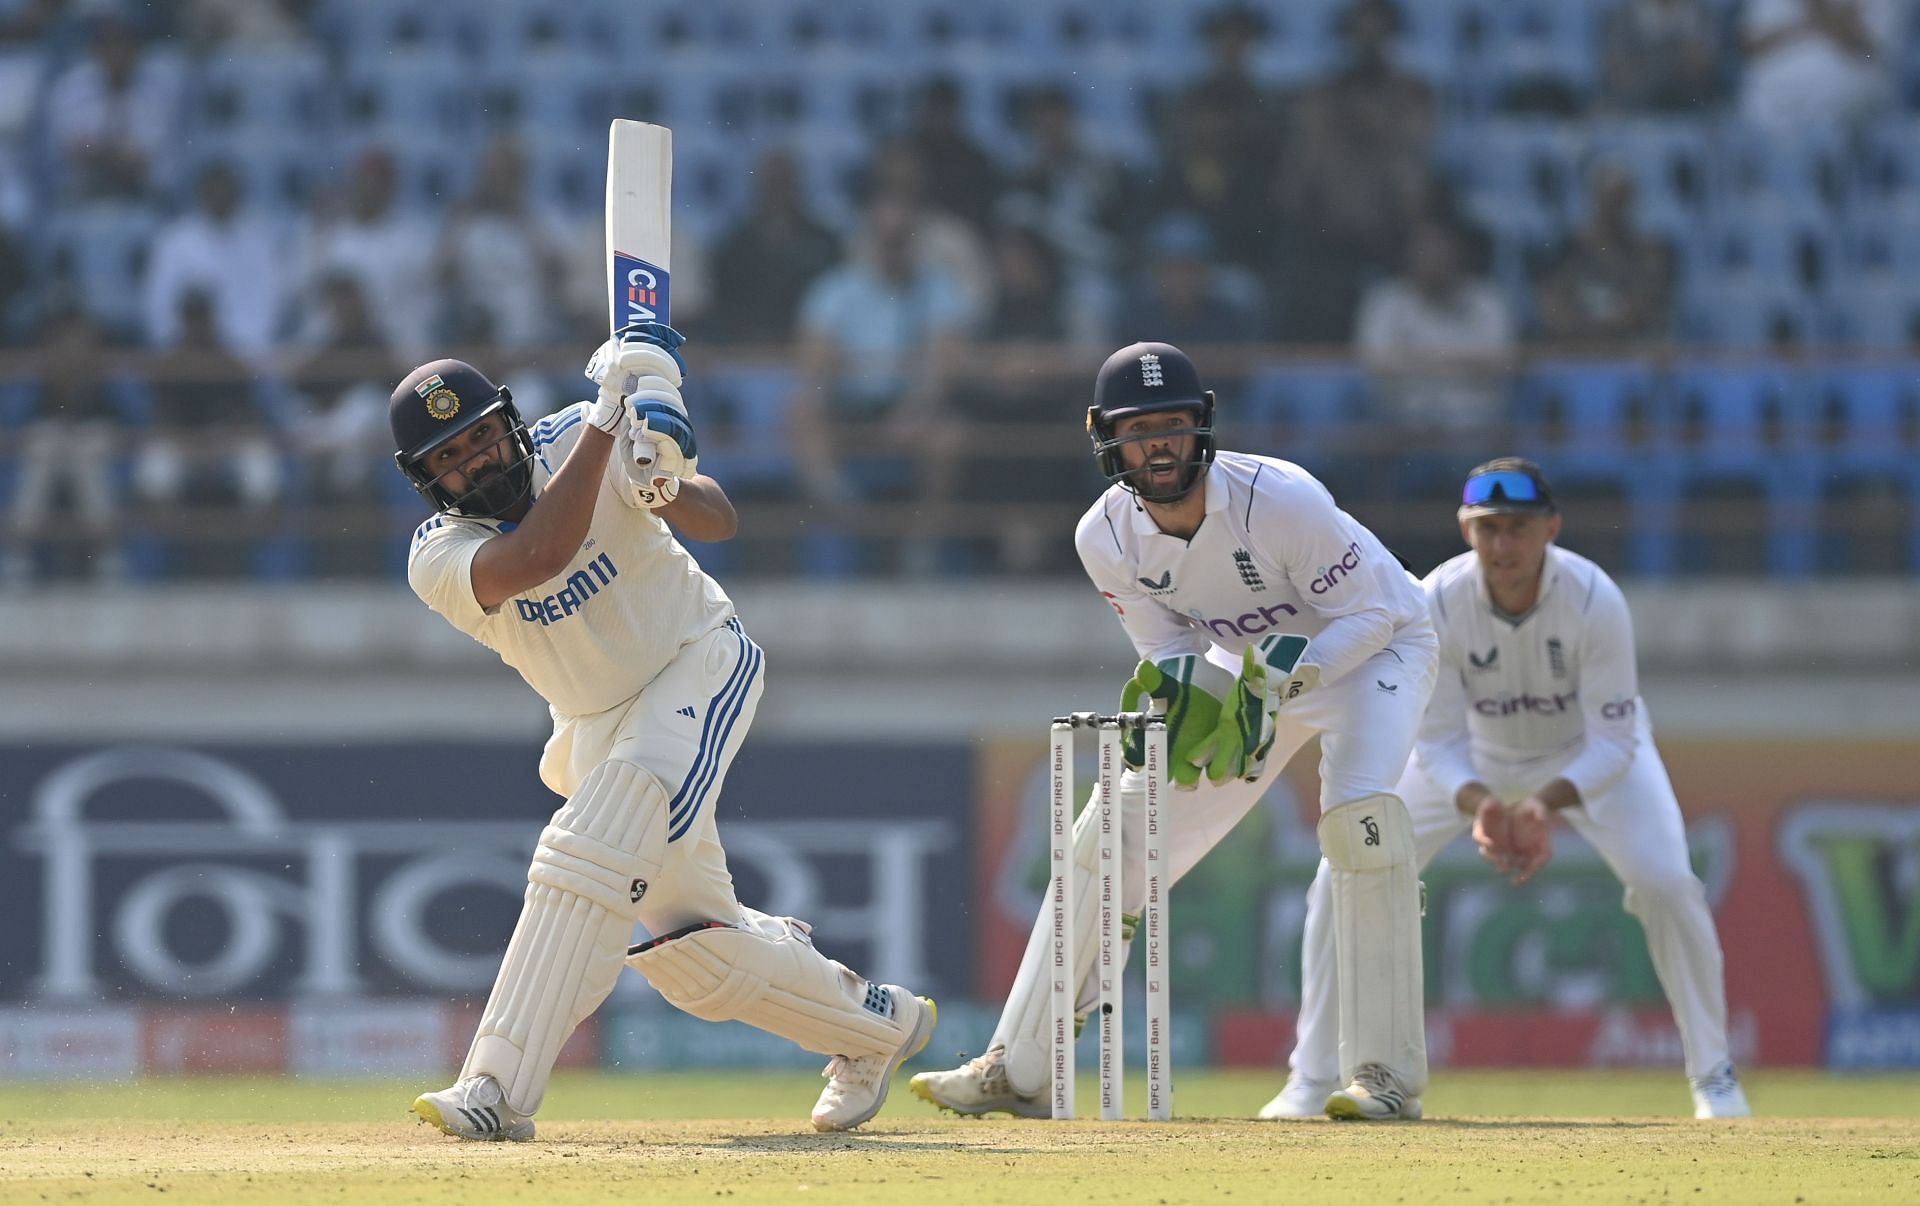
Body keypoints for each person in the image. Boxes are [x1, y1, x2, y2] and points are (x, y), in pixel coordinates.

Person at [395, 323, 936, 1140]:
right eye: (450, 458)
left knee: (589, 847)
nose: (474, 462)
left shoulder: (582, 430)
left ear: (507, 423)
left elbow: (719, 520)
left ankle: (495, 1091)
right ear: (426, 481)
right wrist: (614, 426)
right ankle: (877, 1028)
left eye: (478, 438)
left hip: (698, 662)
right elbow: (537, 556)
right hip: (596, 726)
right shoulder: (440, 554)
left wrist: (664, 484)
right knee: (697, 955)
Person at [911, 342, 1438, 1121]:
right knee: (1109, 832)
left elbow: (1378, 612)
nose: (1158, 442)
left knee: (1362, 826)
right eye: (1138, 428)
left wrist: (1285, 680)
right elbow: (1170, 650)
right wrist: (1183, 705)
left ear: (1202, 427)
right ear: (1105, 437)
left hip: (1371, 653)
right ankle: (1021, 1067)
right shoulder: (1106, 537)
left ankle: (1384, 1077)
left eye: (1174, 424)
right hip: (1251, 665)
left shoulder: (1281, 499)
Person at [1263, 459, 1752, 1121]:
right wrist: (1483, 805)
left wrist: (1539, 807)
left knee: (1669, 883)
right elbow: (1431, 737)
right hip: (1470, 762)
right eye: (1488, 528)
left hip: (1590, 761)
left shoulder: (1593, 597)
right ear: (1466, 528)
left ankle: (1715, 1078)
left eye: (1518, 528)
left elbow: (1614, 740)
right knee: (1341, 875)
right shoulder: (1435, 597)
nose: (1503, 546)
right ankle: (1311, 1079)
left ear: (1551, 527)